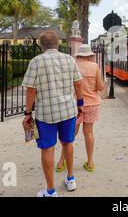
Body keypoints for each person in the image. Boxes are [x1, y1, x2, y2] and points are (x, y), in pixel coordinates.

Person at [22, 31, 84, 197]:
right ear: (58, 43)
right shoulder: (69, 59)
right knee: (68, 143)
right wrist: (80, 104)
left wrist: (27, 113)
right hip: (68, 110)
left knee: (48, 149)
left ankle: (51, 191)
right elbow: (78, 84)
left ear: (41, 45)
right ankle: (71, 179)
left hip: (46, 113)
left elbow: (30, 90)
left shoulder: (36, 61)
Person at [56, 44, 105, 173]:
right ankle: (90, 163)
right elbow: (100, 87)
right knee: (88, 132)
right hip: (92, 104)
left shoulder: (73, 65)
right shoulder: (94, 67)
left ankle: (62, 162)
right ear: (90, 55)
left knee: (71, 134)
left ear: (78, 55)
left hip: (76, 105)